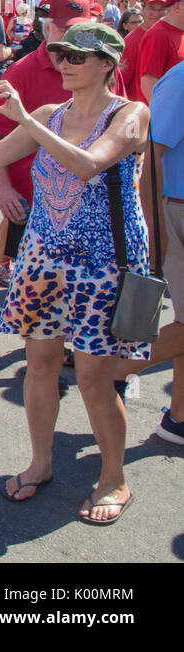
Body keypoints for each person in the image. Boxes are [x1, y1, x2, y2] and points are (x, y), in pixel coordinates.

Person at [0, 24, 150, 525]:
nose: (64, 63)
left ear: (108, 64)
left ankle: (114, 479)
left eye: (77, 56)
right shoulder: (49, 114)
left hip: (103, 262)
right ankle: (40, 463)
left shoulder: (130, 114)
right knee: (39, 365)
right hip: (43, 258)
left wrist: (24, 117)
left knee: (93, 379)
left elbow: (89, 165)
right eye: (61, 54)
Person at [0, 0, 112, 285]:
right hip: (37, 203)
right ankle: (2, 264)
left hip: (90, 204)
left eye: (81, 29)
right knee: (40, 293)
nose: (73, 38)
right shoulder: (23, 71)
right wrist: (3, 188)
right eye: (65, 30)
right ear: (47, 27)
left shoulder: (104, 71)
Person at [114, 58, 184, 443]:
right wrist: (153, 226)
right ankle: (110, 371)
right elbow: (151, 159)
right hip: (176, 209)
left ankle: (179, 418)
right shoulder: (180, 79)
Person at [136, 0, 184, 105]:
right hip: (164, 117)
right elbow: (148, 83)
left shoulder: (179, 31)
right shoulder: (158, 35)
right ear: (177, 7)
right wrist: (166, 117)